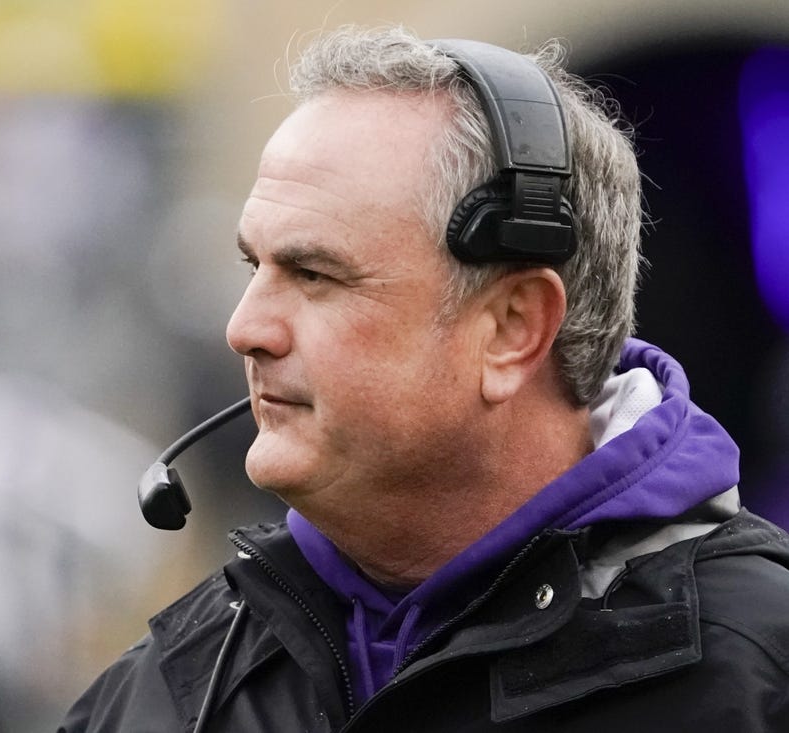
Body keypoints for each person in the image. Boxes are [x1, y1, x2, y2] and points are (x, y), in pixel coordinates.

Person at [59, 26, 789, 732]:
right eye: (257, 267)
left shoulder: (758, 672)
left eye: (314, 273)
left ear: (511, 328)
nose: (244, 328)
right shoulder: (163, 693)